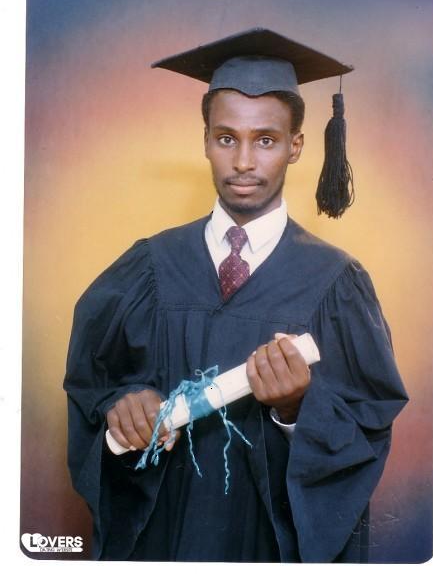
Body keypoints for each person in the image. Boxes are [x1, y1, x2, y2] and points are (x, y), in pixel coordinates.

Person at [64, 28, 408, 563]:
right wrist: (120, 405)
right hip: (162, 540)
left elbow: (368, 424)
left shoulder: (335, 282)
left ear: (295, 146)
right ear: (205, 140)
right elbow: (92, 384)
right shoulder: (149, 267)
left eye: (265, 140)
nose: (244, 161)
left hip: (267, 547)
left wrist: (296, 408)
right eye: (227, 139)